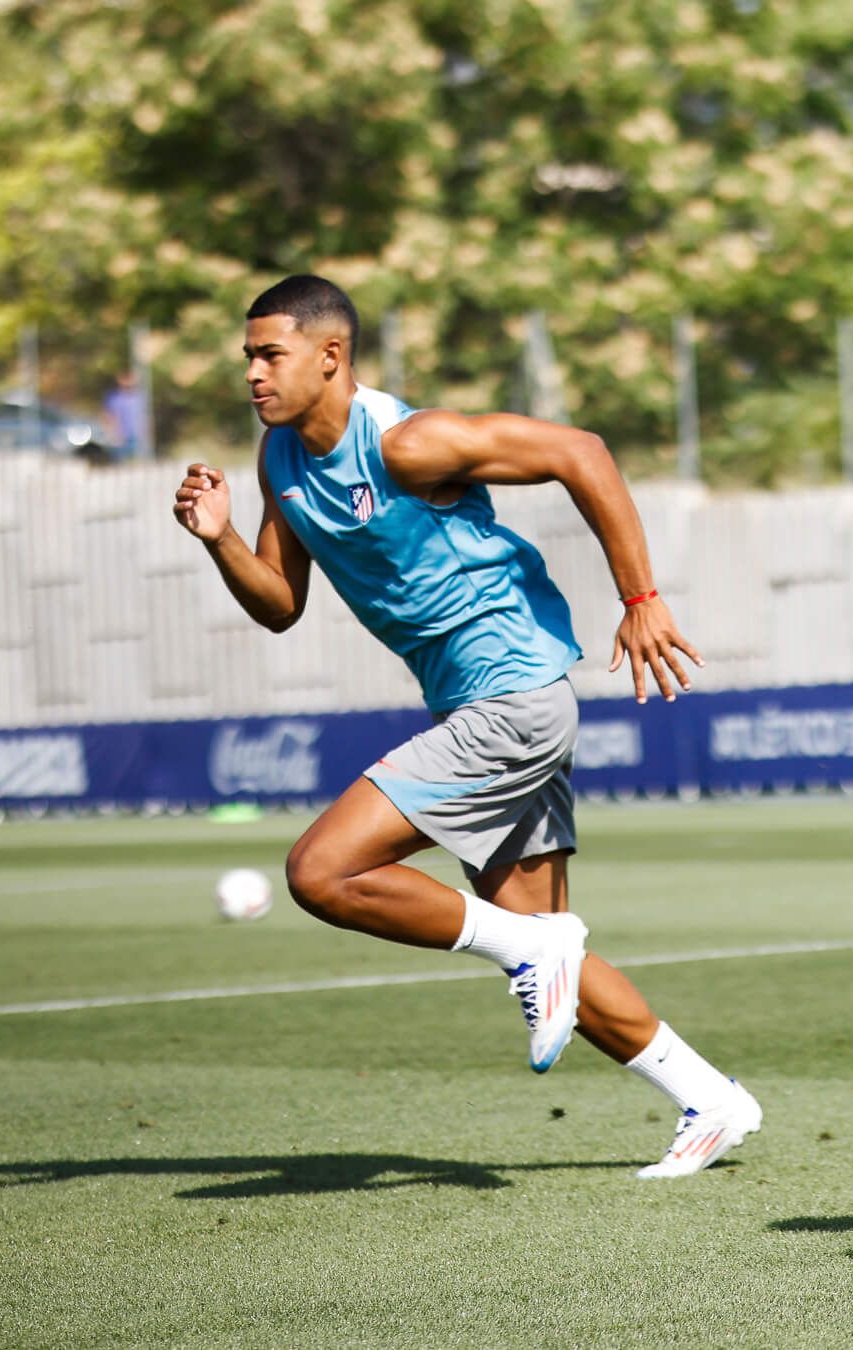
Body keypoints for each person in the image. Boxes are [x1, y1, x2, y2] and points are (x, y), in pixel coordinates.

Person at [171, 275, 759, 1179]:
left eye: (270, 353)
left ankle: (537, 951)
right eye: (247, 355)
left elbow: (583, 451)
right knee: (534, 937)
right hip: (476, 705)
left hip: (514, 698)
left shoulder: (410, 443)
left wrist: (640, 599)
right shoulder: (279, 460)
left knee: (321, 872)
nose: (252, 372)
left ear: (331, 356)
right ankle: (709, 1099)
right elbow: (281, 604)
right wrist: (221, 541)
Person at [102, 371, 149, 462]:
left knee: (139, 462)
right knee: (119, 463)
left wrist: (146, 432)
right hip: (119, 435)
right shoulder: (113, 397)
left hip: (137, 434)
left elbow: (144, 415)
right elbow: (108, 416)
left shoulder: (139, 397)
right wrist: (112, 432)